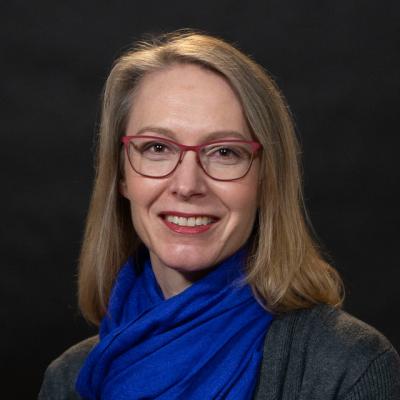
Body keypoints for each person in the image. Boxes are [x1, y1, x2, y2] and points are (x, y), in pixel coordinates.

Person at [39, 31, 400, 399]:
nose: (187, 184)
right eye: (157, 147)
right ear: (120, 175)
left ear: (266, 180)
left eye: (225, 152)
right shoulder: (68, 379)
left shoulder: (350, 367)